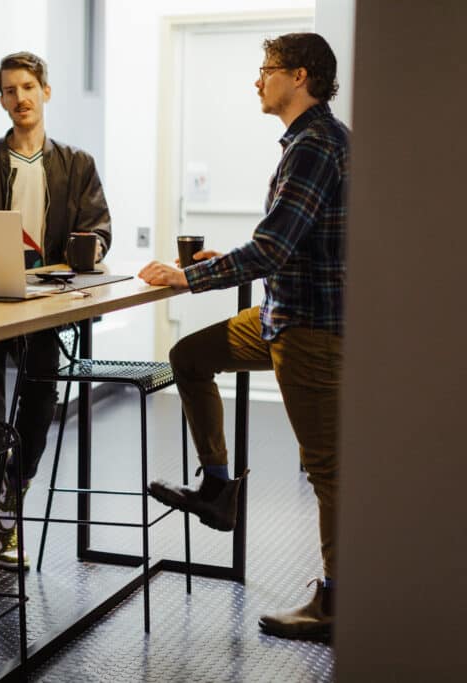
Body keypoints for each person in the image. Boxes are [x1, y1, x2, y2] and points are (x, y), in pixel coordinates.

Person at [138, 33, 349, 641]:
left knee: (328, 468)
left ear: (299, 76)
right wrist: (220, 260)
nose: (257, 80)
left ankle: (337, 602)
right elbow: (286, 240)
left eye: (267, 70)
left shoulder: (316, 145)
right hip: (281, 314)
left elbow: (274, 246)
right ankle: (218, 489)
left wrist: (190, 275)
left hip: (308, 327)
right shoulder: (311, 142)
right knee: (190, 355)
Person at [0, 52, 112, 570]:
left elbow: (99, 227)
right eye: (10, 91)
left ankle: (15, 488)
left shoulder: (76, 164)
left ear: (46, 92)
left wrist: (93, 248)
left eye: (28, 87)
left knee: (39, 405)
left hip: (46, 308)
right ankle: (1, 521)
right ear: (2, 101)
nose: (20, 99)